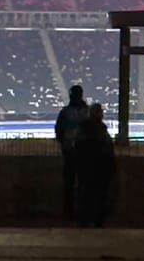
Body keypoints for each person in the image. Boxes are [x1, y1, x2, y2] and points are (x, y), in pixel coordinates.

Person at [73, 103, 115, 227]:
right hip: (96, 168)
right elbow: (108, 149)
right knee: (96, 196)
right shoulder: (99, 129)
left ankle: (86, 220)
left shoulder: (85, 129)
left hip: (89, 168)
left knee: (88, 195)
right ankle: (95, 220)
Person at [54, 84, 89, 222]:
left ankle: (68, 212)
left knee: (69, 183)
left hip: (70, 152)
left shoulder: (65, 112)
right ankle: (82, 212)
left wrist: (65, 143)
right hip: (84, 153)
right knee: (83, 183)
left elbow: (59, 132)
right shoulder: (87, 112)